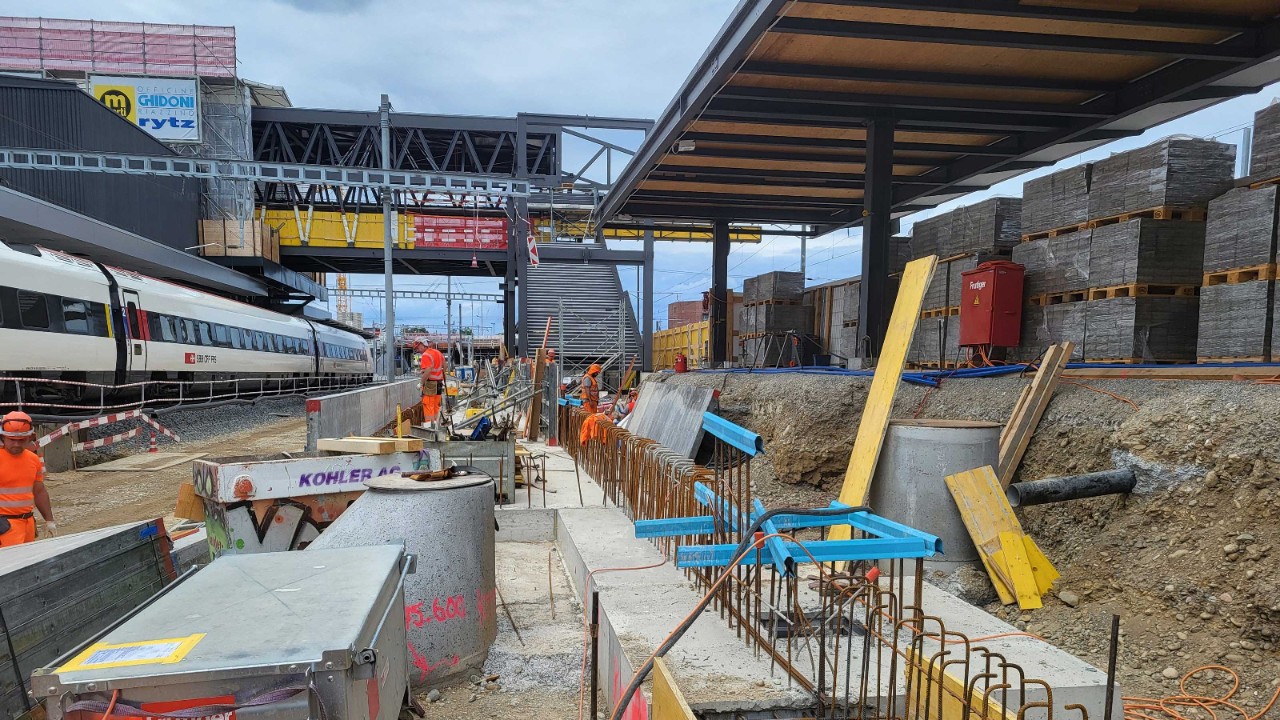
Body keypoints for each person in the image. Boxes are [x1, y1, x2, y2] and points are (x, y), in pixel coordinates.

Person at [0, 411, 55, 547]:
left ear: (30, 437)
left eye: (21, 440)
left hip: (28, 524)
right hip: (4, 527)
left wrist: (49, 520)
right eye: (12, 440)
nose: (17, 444)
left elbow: (39, 491)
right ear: (3, 437)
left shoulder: (33, 459)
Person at [416, 341, 446, 425]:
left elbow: (429, 370)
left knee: (428, 405)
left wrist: (421, 383)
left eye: (418, 348)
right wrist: (442, 377)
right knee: (436, 405)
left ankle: (429, 426)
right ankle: (437, 425)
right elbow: (445, 366)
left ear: (422, 345)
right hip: (439, 383)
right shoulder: (438, 352)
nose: (418, 350)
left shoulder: (426, 355)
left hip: (430, 384)